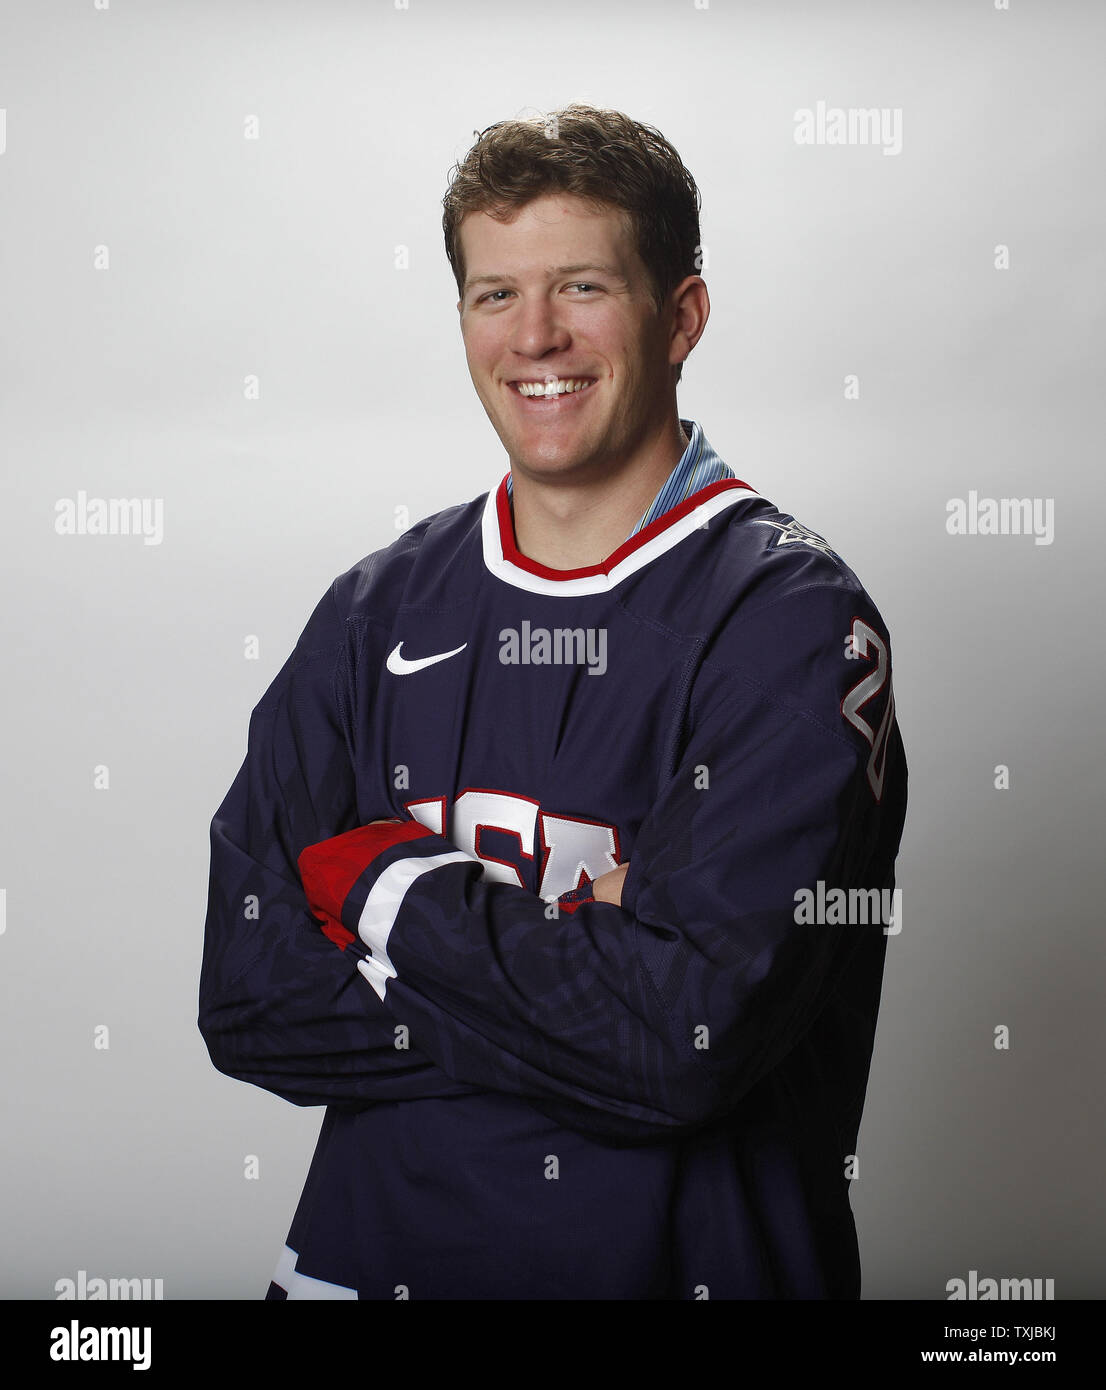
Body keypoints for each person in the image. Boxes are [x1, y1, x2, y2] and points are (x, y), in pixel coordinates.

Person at [198, 104, 908, 1300]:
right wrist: (586, 962)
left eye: (581, 286)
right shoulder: (373, 614)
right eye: (492, 294)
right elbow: (247, 997)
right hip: (367, 1268)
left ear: (679, 316)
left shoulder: (791, 622)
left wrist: (383, 885)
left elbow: (685, 1044)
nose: (534, 336)